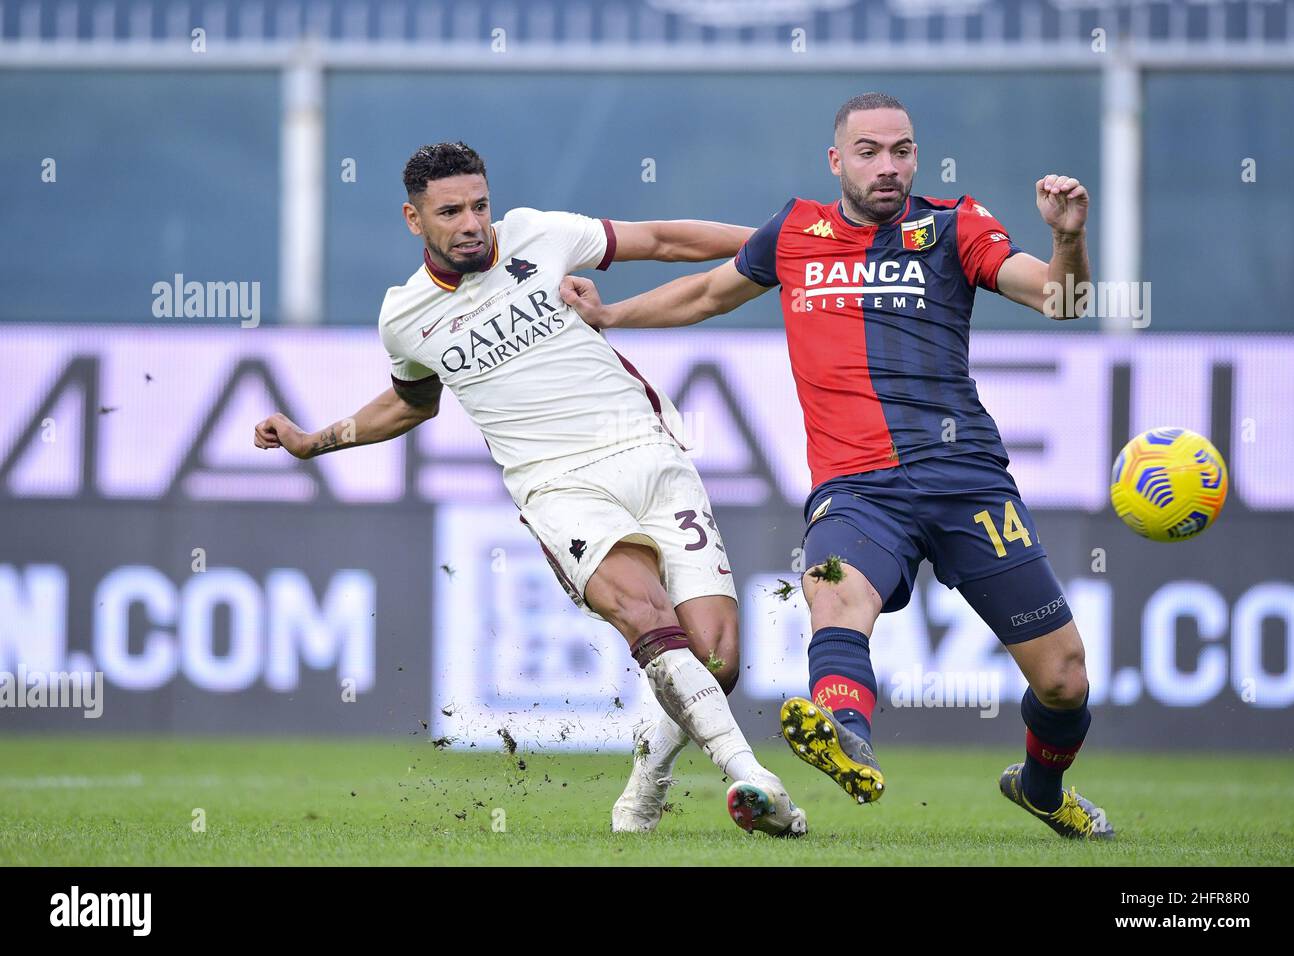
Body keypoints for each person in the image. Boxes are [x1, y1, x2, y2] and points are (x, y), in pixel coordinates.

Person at [559, 94, 1114, 839]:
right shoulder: (793, 233)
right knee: (833, 596)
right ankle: (845, 735)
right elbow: (705, 291)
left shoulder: (954, 226)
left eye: (902, 151)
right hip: (858, 491)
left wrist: (1067, 240)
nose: (888, 167)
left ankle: (1042, 787)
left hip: (968, 483)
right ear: (837, 161)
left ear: (916, 158)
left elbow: (1061, 299)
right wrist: (613, 315)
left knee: (1064, 678)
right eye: (869, 152)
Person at [253, 142, 805, 837]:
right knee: (645, 613)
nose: (471, 223)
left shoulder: (540, 234)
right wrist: (315, 440)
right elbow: (410, 404)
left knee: (716, 658)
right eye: (450, 211)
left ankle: (644, 791)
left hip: (651, 454)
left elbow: (661, 240)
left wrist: (778, 245)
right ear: (413, 218)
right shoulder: (406, 317)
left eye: (479, 205)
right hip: (558, 486)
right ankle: (752, 777)